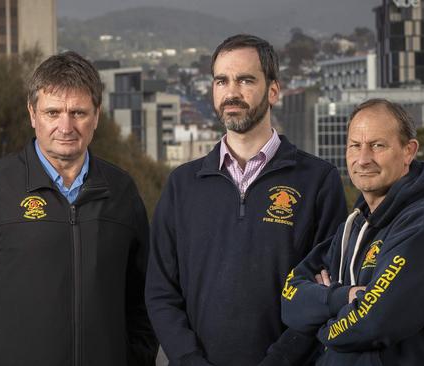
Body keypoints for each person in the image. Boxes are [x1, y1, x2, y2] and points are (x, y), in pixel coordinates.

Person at [0, 51, 158, 366]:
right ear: (32, 114)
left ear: (96, 115)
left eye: (77, 112)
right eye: (53, 112)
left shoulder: (121, 192)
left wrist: (135, 358)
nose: (65, 127)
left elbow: (145, 295)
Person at [145, 34, 347, 366]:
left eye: (245, 80)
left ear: (273, 91)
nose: (232, 92)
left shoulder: (318, 181)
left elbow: (326, 294)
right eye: (221, 80)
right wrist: (189, 360)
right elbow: (160, 292)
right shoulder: (182, 185)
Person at [281, 99, 424, 365]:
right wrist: (343, 297)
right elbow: (290, 299)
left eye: (378, 145)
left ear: (408, 151)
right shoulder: (354, 227)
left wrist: (323, 327)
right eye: (355, 146)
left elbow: (374, 321)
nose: (363, 159)